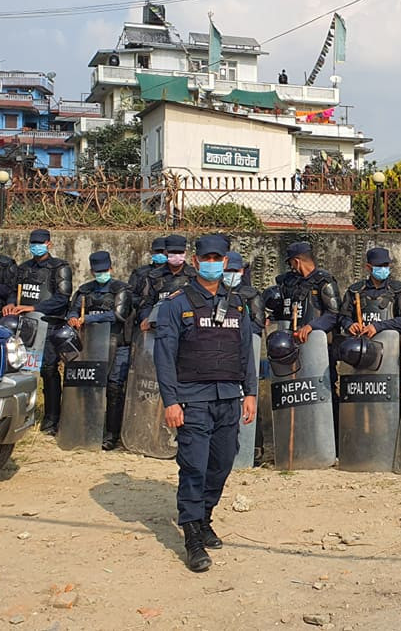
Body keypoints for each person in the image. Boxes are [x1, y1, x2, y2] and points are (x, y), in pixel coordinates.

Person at [153, 234, 257, 573]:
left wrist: (251, 392)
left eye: (218, 258)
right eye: (206, 257)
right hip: (193, 400)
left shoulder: (238, 303)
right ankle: (192, 536)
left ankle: (206, 516)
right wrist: (171, 401)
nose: (212, 263)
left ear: (226, 262)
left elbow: (245, 352)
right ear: (196, 261)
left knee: (222, 464)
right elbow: (164, 356)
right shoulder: (175, 304)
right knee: (194, 466)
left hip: (228, 398)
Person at [4, 229, 74, 435]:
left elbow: (63, 297)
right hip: (25, 326)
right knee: (23, 370)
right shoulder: (23, 268)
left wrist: (35, 308)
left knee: (49, 370)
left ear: (49, 244)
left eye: (40, 243)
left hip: (49, 323)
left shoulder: (60, 267)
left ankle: (52, 419)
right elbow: (12, 291)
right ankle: (24, 413)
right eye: (33, 243)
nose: (36, 246)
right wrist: (10, 304)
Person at [67, 251, 134, 450]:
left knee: (114, 388)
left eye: (104, 270)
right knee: (88, 388)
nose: (101, 274)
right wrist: (72, 317)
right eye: (98, 271)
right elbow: (73, 309)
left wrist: (88, 319)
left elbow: (118, 315)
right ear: (92, 271)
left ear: (111, 269)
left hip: (117, 343)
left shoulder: (120, 289)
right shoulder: (85, 290)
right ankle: (88, 428)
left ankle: (112, 433)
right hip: (91, 344)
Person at [339, 247, 401, 338]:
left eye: (385, 265)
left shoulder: (399, 289)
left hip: (389, 341)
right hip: (360, 340)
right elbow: (343, 316)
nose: (383, 268)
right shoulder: (355, 290)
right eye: (379, 265)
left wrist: (377, 327)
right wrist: (350, 325)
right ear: (368, 267)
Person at [281, 241, 342, 342]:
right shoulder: (291, 281)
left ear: (296, 261)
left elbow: (334, 314)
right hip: (293, 341)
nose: (291, 266)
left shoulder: (323, 281)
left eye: (290, 262)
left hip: (319, 343)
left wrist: (312, 326)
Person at [137, 235, 198, 331]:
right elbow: (146, 303)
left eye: (180, 252)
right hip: (160, 325)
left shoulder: (194, 276)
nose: (176, 255)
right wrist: (145, 318)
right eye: (172, 252)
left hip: (188, 325)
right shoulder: (154, 276)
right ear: (165, 252)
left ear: (185, 253)